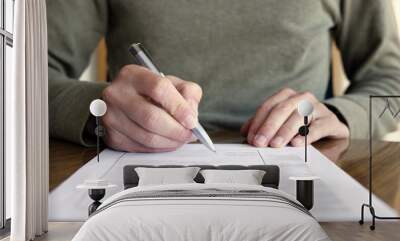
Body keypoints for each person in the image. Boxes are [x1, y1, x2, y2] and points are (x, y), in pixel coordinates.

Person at [47, 0, 400, 152]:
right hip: (136, 168)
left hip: (300, 161)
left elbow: (392, 82)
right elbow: (23, 78)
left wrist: (341, 116)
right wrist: (97, 112)